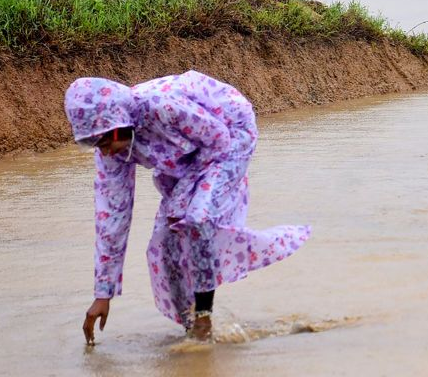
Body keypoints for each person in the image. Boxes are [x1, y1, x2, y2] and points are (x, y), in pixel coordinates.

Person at [65, 70, 310, 344]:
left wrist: (181, 199)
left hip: (229, 132)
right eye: (93, 144)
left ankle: (203, 319)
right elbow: (111, 216)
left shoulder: (161, 106)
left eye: (105, 141)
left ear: (119, 122)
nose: (104, 151)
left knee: (196, 219)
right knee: (164, 241)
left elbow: (218, 139)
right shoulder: (110, 151)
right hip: (184, 153)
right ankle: (190, 326)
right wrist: (103, 294)